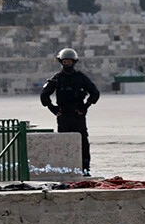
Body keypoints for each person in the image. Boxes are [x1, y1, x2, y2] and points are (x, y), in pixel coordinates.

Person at [39, 47, 100, 176]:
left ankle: (85, 168)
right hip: (63, 115)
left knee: (83, 142)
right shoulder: (57, 78)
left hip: (78, 114)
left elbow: (95, 93)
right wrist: (53, 109)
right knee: (63, 142)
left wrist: (85, 106)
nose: (67, 64)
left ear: (74, 62)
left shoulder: (81, 78)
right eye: (65, 62)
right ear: (61, 62)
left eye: (69, 62)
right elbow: (44, 95)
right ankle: (65, 167)